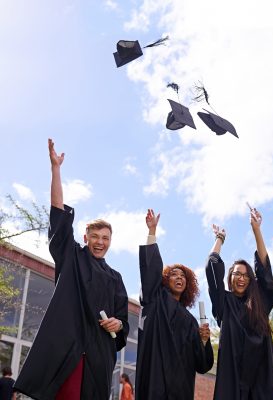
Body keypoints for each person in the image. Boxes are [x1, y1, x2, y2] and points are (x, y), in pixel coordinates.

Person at [14, 139, 129, 400]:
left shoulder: (116, 278)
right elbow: (58, 214)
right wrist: (56, 170)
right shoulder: (72, 257)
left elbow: (122, 321)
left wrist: (118, 323)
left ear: (111, 241)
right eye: (95, 236)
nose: (100, 242)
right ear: (86, 237)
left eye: (106, 238)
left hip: (98, 357)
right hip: (69, 350)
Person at [206, 208, 273, 399]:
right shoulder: (224, 302)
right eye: (237, 274)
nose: (241, 278)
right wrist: (219, 239)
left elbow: (265, 270)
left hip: (262, 374)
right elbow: (211, 266)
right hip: (233, 373)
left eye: (245, 275)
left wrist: (257, 230)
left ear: (251, 279)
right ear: (230, 277)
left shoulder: (259, 303)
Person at [135, 209, 214, 400]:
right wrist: (152, 232)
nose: (179, 278)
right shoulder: (155, 298)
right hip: (154, 380)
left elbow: (201, 365)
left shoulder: (189, 320)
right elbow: (150, 270)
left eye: (183, 276)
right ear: (164, 280)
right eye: (174, 275)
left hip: (180, 388)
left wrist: (204, 341)